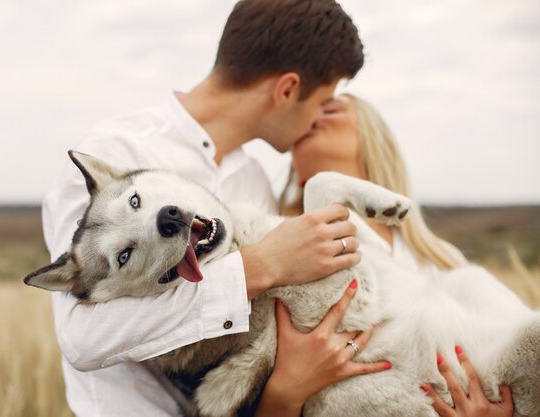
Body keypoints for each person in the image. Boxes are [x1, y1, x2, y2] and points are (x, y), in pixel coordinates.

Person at [42, 2, 390, 416]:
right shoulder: (114, 154)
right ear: (287, 90)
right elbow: (83, 336)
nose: (317, 119)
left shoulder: (253, 180)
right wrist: (259, 266)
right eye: (323, 101)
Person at [280, 92, 515, 417]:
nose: (310, 117)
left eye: (330, 109)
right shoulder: (283, 240)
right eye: (304, 113)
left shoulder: (440, 259)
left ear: (371, 136)